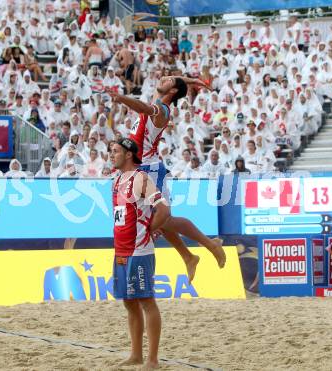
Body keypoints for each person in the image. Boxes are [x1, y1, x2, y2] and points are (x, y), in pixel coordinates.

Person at [106, 76, 226, 282]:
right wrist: (193, 80)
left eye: (169, 80)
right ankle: (189, 256)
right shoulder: (159, 98)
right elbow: (173, 83)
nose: (164, 77)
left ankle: (209, 245)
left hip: (150, 169)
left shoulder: (162, 111)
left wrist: (122, 98)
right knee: (161, 222)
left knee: (164, 218)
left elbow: (143, 107)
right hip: (139, 166)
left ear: (171, 92)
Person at [111, 138, 168, 370]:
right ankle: (136, 354)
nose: (111, 154)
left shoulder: (141, 179)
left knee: (146, 301)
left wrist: (150, 229)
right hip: (121, 250)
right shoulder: (116, 180)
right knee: (128, 302)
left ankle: (152, 360)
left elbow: (163, 209)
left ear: (128, 155)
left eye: (115, 151)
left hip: (139, 250)